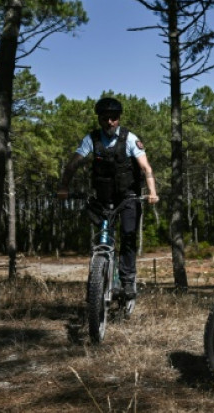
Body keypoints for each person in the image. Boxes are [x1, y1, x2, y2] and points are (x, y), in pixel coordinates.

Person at [57, 96, 159, 300]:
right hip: (104, 198)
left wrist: (152, 192)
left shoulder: (130, 139)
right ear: (99, 119)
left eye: (113, 118)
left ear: (119, 118)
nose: (109, 122)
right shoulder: (91, 139)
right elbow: (73, 164)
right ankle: (98, 279)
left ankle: (128, 281)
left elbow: (146, 168)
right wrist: (64, 187)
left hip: (129, 197)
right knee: (104, 238)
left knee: (128, 236)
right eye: (105, 118)